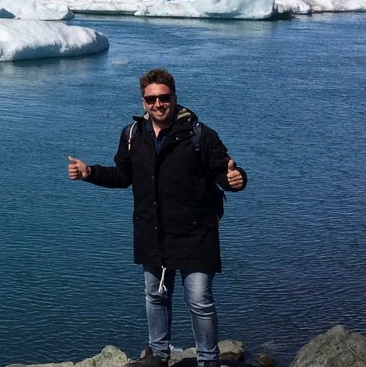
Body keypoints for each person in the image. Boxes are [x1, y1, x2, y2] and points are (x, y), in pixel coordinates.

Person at [67, 68, 247, 367]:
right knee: (155, 296)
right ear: (143, 103)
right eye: (151, 100)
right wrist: (89, 173)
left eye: (164, 98)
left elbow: (224, 173)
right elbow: (123, 175)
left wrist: (235, 179)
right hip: (153, 231)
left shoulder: (200, 135)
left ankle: (208, 360)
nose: (158, 104)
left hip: (195, 233)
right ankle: (158, 355)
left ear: (175, 98)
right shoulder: (132, 135)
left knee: (200, 301)